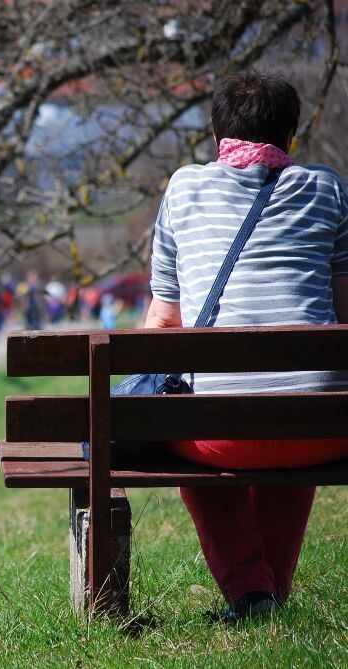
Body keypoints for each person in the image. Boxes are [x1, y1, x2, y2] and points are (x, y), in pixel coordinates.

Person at [145, 71, 348, 621]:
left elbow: (163, 322)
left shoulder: (184, 187)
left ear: (216, 132)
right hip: (321, 430)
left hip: (220, 438)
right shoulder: (327, 188)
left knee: (191, 437)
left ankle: (251, 593)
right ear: (291, 133)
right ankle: (268, 596)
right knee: (297, 405)